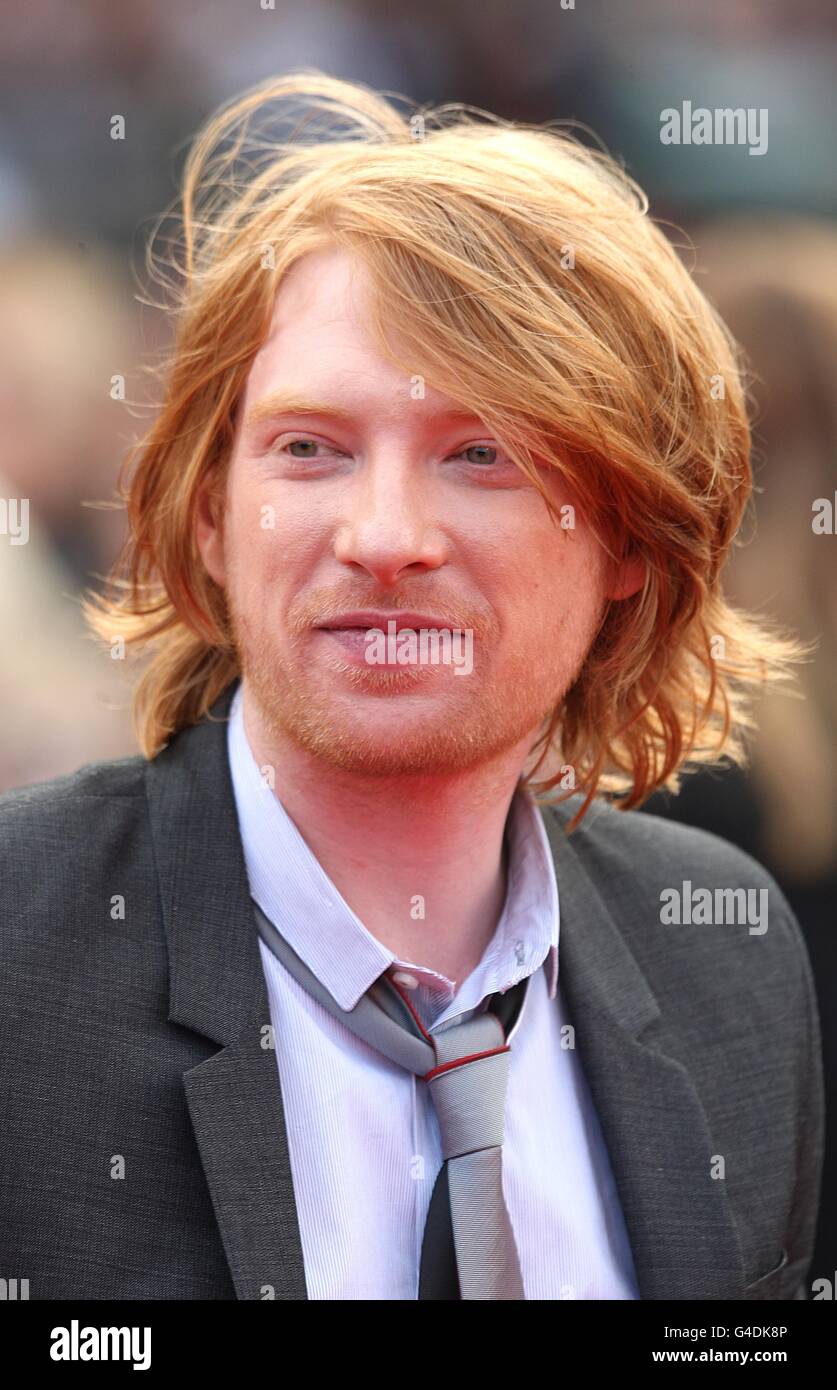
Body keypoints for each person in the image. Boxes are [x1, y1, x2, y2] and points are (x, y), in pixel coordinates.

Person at [0, 71, 823, 1301]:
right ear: (210, 515)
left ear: (635, 542)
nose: (384, 534)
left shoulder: (731, 963)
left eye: (480, 453)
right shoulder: (24, 945)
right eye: (310, 448)